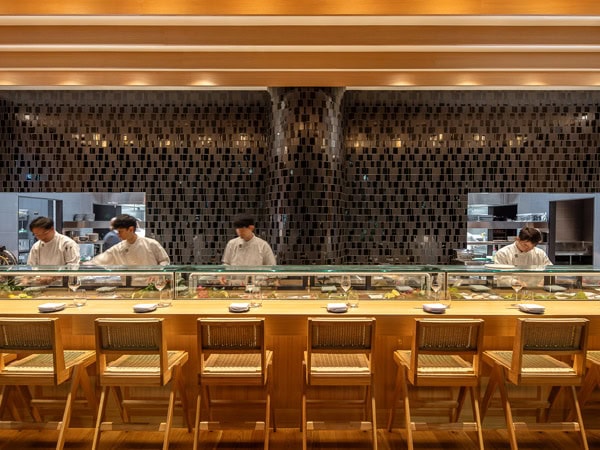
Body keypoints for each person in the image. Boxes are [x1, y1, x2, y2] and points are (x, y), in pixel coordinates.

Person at [88, 214, 170, 266]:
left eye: (121, 231)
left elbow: (165, 261)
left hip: (151, 286)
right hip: (128, 286)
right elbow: (99, 261)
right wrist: (81, 266)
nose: (118, 234)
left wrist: (158, 274)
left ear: (131, 229)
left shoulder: (151, 243)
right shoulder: (118, 248)